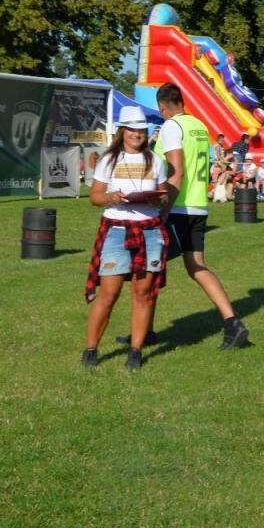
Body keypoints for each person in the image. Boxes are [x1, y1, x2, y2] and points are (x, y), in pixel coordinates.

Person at [129, 83, 249, 351]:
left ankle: (143, 331)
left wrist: (163, 211)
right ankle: (232, 322)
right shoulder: (199, 125)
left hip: (177, 206)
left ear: (163, 107)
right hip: (197, 205)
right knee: (196, 266)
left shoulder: (172, 127)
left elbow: (177, 171)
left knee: (148, 267)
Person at [82, 106, 169, 371]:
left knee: (142, 293)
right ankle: (91, 349)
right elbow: (95, 197)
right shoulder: (109, 159)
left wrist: (157, 197)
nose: (137, 134)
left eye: (141, 130)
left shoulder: (156, 161)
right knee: (109, 293)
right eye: (132, 129)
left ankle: (135, 351)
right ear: (123, 131)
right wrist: (111, 197)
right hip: (117, 230)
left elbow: (164, 195)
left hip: (149, 231)